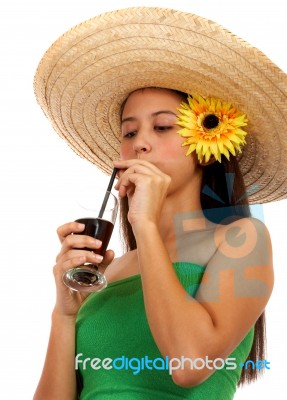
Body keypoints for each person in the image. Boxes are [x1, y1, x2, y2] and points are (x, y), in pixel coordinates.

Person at [33, 7, 287, 400]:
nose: (140, 143)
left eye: (163, 126)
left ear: (207, 146)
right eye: (129, 131)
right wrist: (65, 314)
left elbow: (189, 365)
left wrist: (145, 226)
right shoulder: (111, 270)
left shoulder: (242, 239)